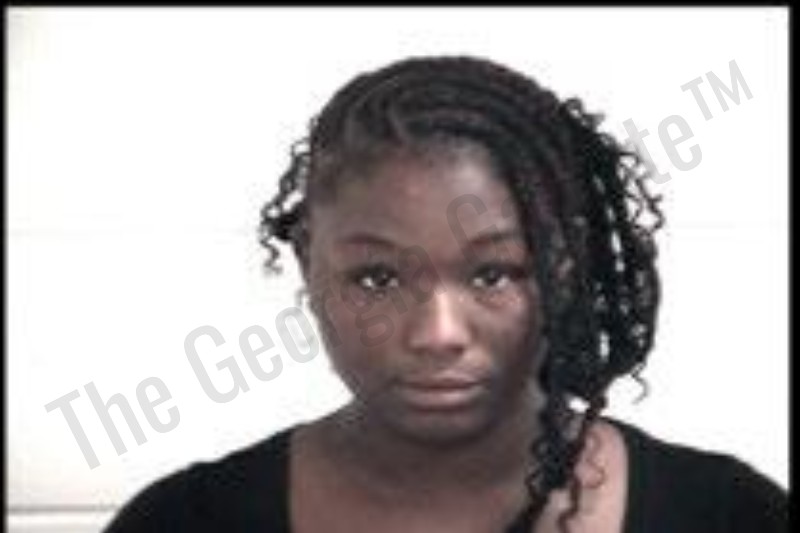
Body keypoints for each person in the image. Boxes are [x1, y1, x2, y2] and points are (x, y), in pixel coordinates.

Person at [103, 55, 787, 533]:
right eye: (377, 277)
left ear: (564, 266)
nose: (437, 334)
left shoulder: (729, 516)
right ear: (309, 262)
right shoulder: (183, 522)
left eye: (494, 273)